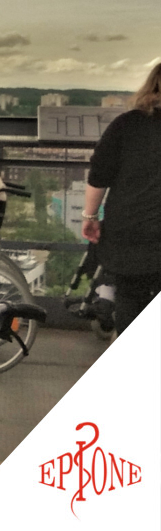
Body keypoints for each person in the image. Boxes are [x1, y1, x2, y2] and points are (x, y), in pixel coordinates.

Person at [82, 60, 161, 335]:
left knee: (129, 298)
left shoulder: (126, 124)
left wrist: (90, 216)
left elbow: (99, 175)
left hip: (129, 230)